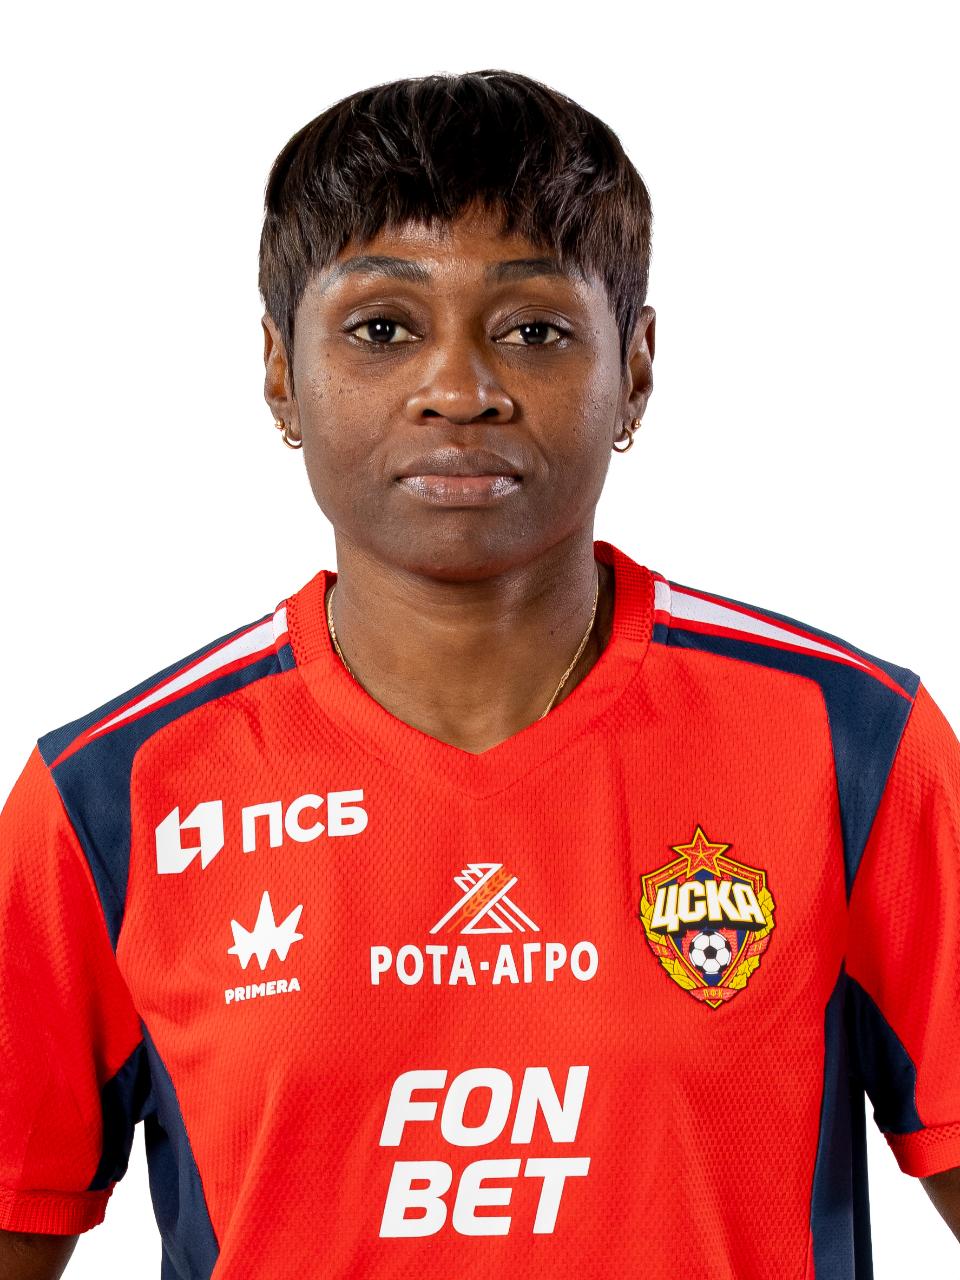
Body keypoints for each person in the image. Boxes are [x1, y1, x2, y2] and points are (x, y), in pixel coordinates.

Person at [0, 67, 958, 1280]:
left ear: (636, 369)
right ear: (281, 371)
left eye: (534, 330)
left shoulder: (851, 744)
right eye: (383, 328)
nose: (459, 389)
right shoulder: (112, 797)